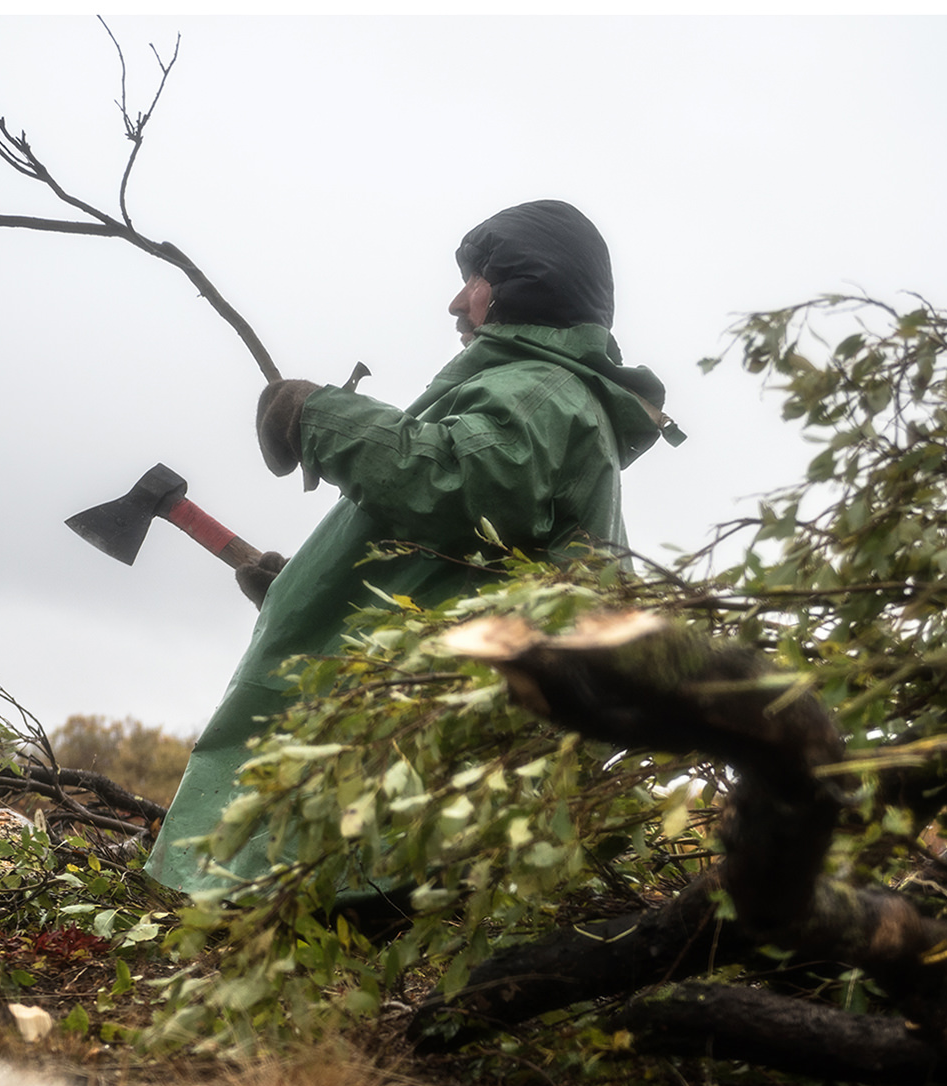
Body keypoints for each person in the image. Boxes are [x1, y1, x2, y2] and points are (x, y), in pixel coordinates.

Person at [146, 199, 684, 895]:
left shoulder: (540, 392)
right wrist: (303, 589)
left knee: (292, 906)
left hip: (427, 776)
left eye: (477, 279)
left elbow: (456, 481)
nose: (456, 303)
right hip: (438, 746)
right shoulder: (536, 390)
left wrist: (316, 414)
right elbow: (463, 562)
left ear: (529, 285)